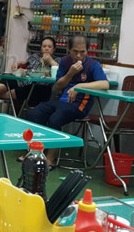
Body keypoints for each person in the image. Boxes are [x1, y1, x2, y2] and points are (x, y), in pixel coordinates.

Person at [27, 35, 109, 166]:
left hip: (80, 104)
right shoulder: (65, 62)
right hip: (62, 101)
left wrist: (79, 86)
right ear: (69, 50)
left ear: (87, 51)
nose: (79, 56)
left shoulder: (93, 64)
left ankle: (50, 158)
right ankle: (33, 152)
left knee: (55, 118)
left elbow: (105, 84)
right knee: (35, 113)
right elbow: (58, 86)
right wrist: (70, 73)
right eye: (75, 52)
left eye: (82, 52)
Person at [0, 36, 60, 111]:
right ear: (41, 48)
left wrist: (50, 60)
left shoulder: (57, 60)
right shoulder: (35, 56)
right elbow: (25, 64)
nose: (46, 48)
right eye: (44, 46)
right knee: (9, 77)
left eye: (49, 47)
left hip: (41, 87)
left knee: (26, 89)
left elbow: (59, 70)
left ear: (54, 49)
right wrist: (17, 64)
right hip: (26, 81)